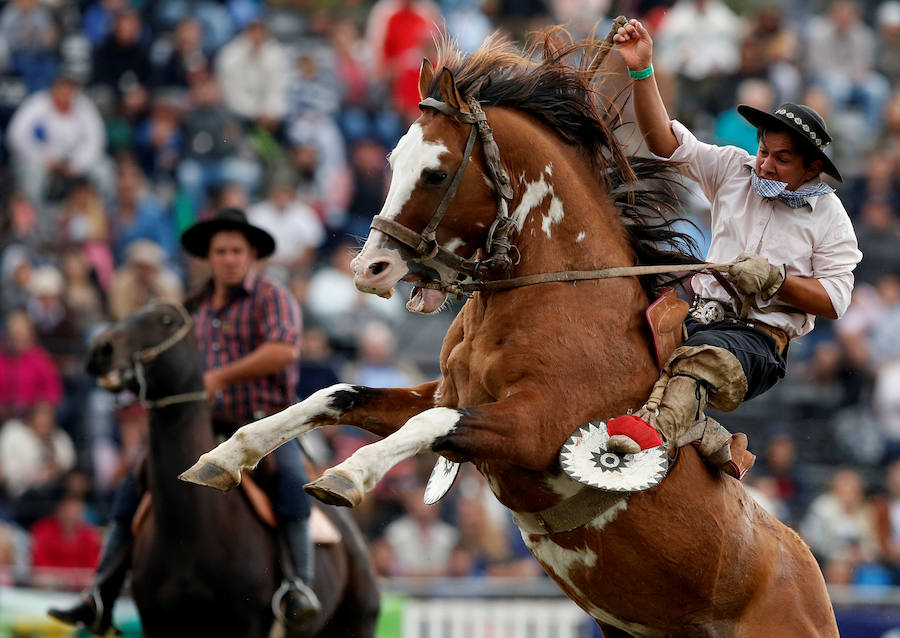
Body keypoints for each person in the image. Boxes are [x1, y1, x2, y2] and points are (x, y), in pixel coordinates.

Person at [605, 20, 862, 478]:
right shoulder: (732, 168)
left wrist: (775, 280)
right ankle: (709, 437)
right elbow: (663, 141)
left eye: (782, 159)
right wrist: (642, 71)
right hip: (696, 312)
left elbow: (835, 301)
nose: (765, 163)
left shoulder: (832, 220)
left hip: (760, 342)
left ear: (813, 167)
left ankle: (641, 446)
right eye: (764, 150)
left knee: (697, 360)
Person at [49, 208, 320, 633]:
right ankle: (99, 593)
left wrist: (220, 376)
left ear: (251, 254)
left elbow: (284, 350)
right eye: (220, 251)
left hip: (262, 425)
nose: (229, 258)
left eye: (236, 250)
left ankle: (297, 587)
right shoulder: (190, 307)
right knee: (133, 484)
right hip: (201, 427)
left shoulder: (272, 296)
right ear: (209, 257)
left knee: (288, 481)